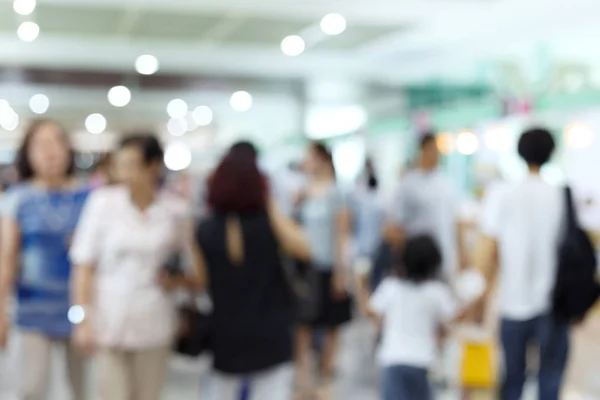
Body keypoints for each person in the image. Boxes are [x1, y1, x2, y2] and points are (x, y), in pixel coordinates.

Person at [70, 134, 201, 400]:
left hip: (154, 318)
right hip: (109, 318)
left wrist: (174, 280)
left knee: (148, 393)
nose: (125, 173)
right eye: (120, 165)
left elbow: (194, 271)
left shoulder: (173, 210)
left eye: (131, 164)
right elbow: (83, 264)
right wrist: (82, 318)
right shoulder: (102, 203)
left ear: (153, 165)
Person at [194, 143, 310, 400]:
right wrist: (269, 201)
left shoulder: (206, 230)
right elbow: (304, 248)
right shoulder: (270, 224)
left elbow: (201, 281)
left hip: (226, 332)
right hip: (271, 330)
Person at [476, 128, 569, 400]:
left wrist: (481, 296)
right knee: (550, 379)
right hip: (553, 302)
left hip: (512, 301)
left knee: (512, 380)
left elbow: (488, 251)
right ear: (551, 153)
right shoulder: (562, 195)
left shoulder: (501, 192)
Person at [0, 119, 90, 400]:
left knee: (81, 387)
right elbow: (7, 256)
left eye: (55, 143)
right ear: (27, 153)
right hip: (32, 306)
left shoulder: (90, 196)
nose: (49, 152)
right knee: (32, 388)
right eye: (40, 145)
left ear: (68, 149)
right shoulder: (18, 198)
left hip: (80, 305)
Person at [367, 235, 461, 400]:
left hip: (393, 360)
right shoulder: (437, 292)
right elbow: (452, 318)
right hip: (424, 363)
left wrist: (360, 282)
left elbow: (371, 312)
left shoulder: (391, 288)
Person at [295, 142, 352, 397]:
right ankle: (304, 382)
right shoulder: (305, 191)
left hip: (329, 266)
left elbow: (342, 234)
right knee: (303, 326)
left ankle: (325, 380)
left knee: (330, 325)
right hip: (308, 267)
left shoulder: (336, 193)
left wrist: (341, 272)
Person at [384, 133, 467, 278]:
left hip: (445, 256)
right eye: (431, 150)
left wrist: (462, 253)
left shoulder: (446, 183)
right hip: (420, 261)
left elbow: (456, 220)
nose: (434, 154)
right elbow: (394, 226)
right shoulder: (408, 185)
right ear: (422, 151)